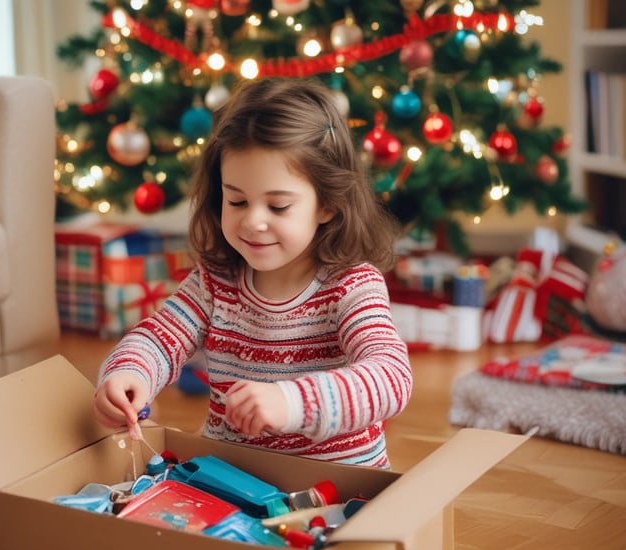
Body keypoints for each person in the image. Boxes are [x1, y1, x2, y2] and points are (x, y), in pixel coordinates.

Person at [94, 77, 413, 468]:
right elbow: (159, 339)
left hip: (335, 488)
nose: (253, 222)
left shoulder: (352, 285)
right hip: (230, 479)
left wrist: (292, 402)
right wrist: (130, 374)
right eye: (237, 200)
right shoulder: (216, 279)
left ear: (327, 204)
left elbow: (392, 376)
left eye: (278, 207)